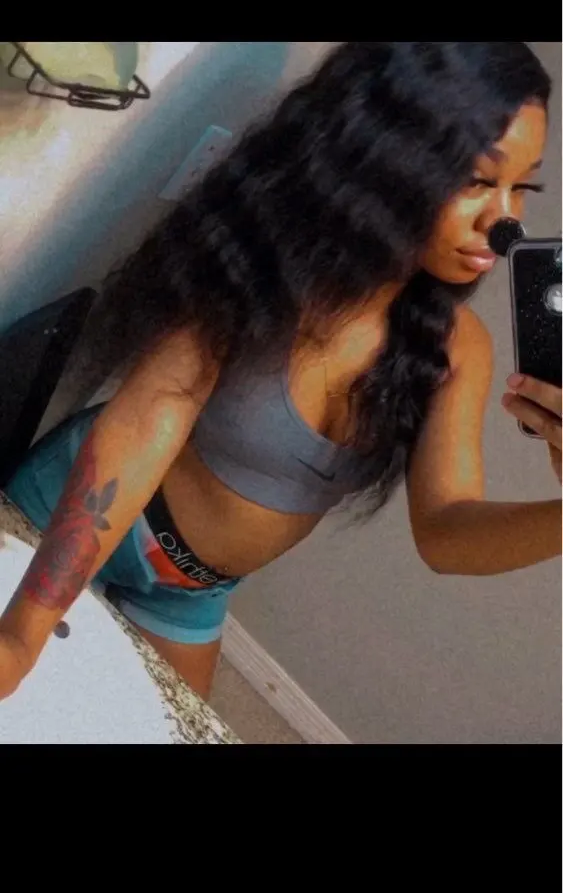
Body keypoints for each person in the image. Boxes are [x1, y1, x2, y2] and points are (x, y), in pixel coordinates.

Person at [1, 42, 561, 703]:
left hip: (192, 590)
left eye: (522, 188)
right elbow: (151, 414)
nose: (503, 222)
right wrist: (22, 633)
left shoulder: (457, 348)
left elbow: (446, 533)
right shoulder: (267, 260)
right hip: (79, 510)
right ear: (388, 156)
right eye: (476, 181)